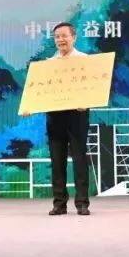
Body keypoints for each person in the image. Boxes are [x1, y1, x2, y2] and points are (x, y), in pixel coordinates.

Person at [44, 22, 91, 216]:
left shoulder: (85, 60)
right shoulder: (48, 64)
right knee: (57, 161)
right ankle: (59, 203)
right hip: (55, 115)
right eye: (57, 37)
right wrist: (31, 106)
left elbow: (93, 87)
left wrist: (87, 101)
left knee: (80, 159)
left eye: (64, 36)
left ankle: (82, 203)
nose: (60, 40)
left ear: (74, 37)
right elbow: (41, 91)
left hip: (77, 114)